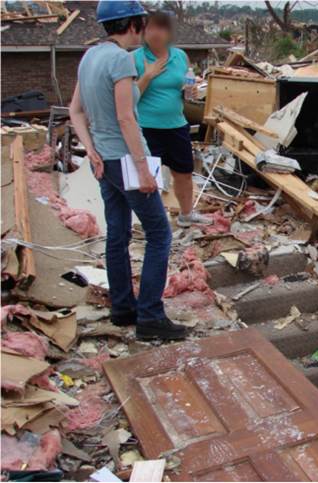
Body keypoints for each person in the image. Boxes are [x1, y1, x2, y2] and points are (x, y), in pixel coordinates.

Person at [69, 0, 187, 341]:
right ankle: (150, 316)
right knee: (159, 235)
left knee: (118, 234)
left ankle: (123, 308)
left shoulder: (90, 56)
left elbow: (76, 111)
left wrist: (90, 150)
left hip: (104, 162)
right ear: (132, 24)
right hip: (125, 160)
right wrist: (143, 169)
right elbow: (125, 118)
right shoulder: (120, 59)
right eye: (141, 24)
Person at [133, 10, 211, 227]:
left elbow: (184, 88)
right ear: (143, 32)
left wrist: (191, 92)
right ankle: (154, 221)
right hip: (147, 128)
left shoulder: (180, 56)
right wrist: (148, 75)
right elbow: (129, 96)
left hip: (176, 125)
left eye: (161, 28)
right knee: (150, 179)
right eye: (150, 28)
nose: (156, 33)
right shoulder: (135, 59)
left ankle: (186, 214)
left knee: (184, 172)